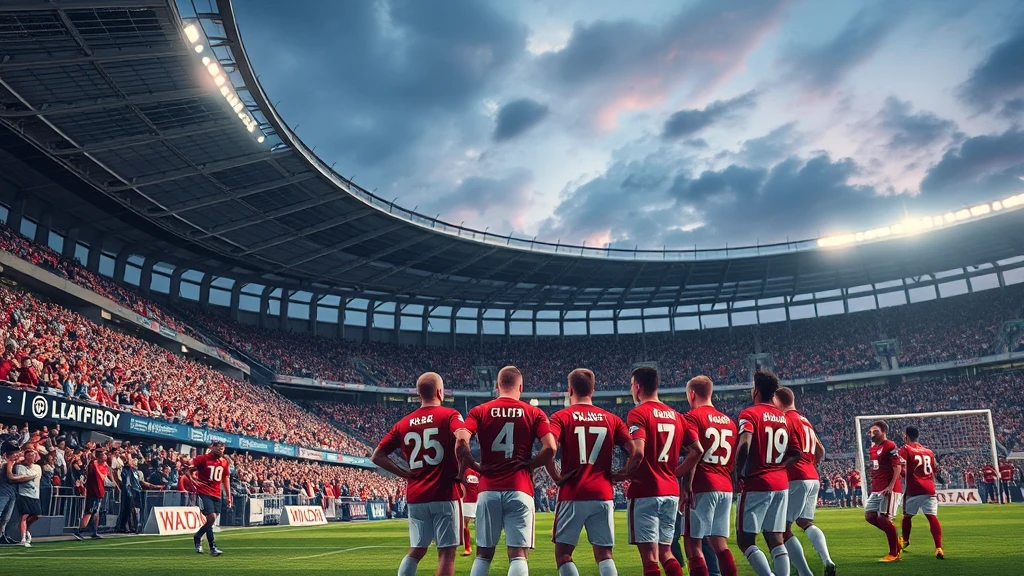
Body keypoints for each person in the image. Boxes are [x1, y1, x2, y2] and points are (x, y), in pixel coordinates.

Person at [458, 365, 556, 576]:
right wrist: (530, 465)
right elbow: (551, 447)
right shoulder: (534, 413)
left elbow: (461, 442)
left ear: (497, 385)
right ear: (521, 387)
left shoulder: (479, 411)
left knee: (483, 554)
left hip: (488, 489)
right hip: (520, 487)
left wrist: (474, 466)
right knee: (518, 554)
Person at [372, 372, 469, 576]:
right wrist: (462, 472)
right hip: (445, 493)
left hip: (416, 494)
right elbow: (462, 439)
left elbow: (377, 456)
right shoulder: (450, 415)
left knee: (416, 550)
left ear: (419, 394)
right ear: (440, 392)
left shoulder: (403, 423)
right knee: (447, 553)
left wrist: (404, 473)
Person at [545, 368, 638, 576]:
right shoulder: (612, 419)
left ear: (570, 390)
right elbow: (636, 452)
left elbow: (549, 448)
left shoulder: (561, 416)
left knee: (563, 554)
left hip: (572, 492)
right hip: (603, 493)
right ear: (593, 390)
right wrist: (624, 474)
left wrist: (556, 476)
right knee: (605, 554)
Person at [625, 366, 696, 576]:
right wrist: (677, 473)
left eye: (631, 385)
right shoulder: (677, 416)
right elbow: (697, 450)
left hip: (645, 490)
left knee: (650, 558)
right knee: (666, 552)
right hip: (670, 491)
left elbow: (638, 452)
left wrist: (623, 473)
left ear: (638, 387)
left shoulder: (638, 413)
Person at [734, 371, 799, 576]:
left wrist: (737, 471)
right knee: (776, 538)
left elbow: (745, 444)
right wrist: (778, 467)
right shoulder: (785, 418)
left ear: (756, 390)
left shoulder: (749, 414)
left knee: (745, 541)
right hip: (781, 483)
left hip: (757, 482)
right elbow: (796, 453)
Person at [675, 375, 738, 576]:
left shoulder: (692, 417)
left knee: (693, 545)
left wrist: (686, 486)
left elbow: (695, 453)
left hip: (703, 485)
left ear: (692, 394)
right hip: (725, 485)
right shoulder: (730, 422)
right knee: (720, 546)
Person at [776, 387, 836, 576]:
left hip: (796, 476)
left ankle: (804, 572)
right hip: (812, 476)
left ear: (778, 401)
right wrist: (810, 464)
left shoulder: (785, 419)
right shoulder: (805, 421)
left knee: (783, 529)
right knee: (804, 521)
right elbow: (821, 451)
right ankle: (827, 560)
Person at [898, 426, 944, 560]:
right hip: (930, 488)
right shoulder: (929, 451)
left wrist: (901, 474)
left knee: (907, 516)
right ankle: (938, 548)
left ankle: (905, 541)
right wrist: (939, 479)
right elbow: (935, 470)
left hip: (914, 489)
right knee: (932, 517)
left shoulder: (906, 449)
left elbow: (898, 465)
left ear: (906, 436)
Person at [864, 420, 904, 562]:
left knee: (883, 519)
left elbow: (897, 466)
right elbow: (877, 467)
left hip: (889, 488)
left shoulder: (890, 445)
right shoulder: (873, 449)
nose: (872, 434)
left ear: (883, 432)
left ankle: (894, 553)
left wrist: (891, 486)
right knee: (869, 516)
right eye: (870, 432)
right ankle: (895, 540)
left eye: (875, 432)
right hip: (876, 488)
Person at [185, 440, 231, 556]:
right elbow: (188, 469)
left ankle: (201, 538)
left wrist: (228, 495)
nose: (220, 451)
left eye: (222, 449)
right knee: (211, 517)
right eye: (218, 448)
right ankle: (211, 545)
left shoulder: (224, 462)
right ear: (212, 447)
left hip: (217, 494)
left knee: (211, 521)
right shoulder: (203, 459)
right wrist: (193, 482)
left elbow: (225, 479)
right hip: (204, 492)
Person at [75, 447, 116, 540]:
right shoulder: (94, 464)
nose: (106, 456)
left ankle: (94, 532)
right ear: (100, 456)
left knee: (96, 512)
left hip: (99, 492)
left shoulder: (104, 466)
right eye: (104, 454)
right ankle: (80, 531)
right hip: (93, 491)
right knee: (89, 511)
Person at [9, 448, 42, 547]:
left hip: (35, 495)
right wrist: (29, 477)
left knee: (36, 515)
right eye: (30, 455)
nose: (32, 457)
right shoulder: (20, 467)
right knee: (24, 515)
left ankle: (25, 528)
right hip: (24, 494)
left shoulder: (37, 467)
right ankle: (23, 538)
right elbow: (21, 478)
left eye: (34, 455)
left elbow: (36, 476)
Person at [0, 442, 21, 544]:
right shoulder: (4, 463)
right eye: (14, 453)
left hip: (12, 492)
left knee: (6, 517)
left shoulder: (14, 464)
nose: (16, 455)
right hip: (2, 491)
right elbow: (10, 477)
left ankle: (1, 535)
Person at [461, 468, 480, 557]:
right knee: (464, 525)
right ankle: (468, 547)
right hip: (467, 501)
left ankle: (482, 546)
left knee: (481, 525)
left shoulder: (478, 469)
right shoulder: (462, 471)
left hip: (479, 499)